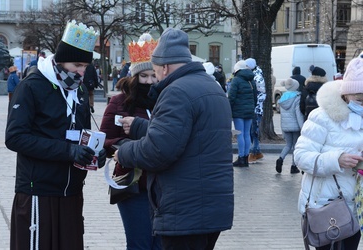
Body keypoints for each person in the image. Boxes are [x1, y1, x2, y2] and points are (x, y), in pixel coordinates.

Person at [114, 27, 234, 250]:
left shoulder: (176, 91)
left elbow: (158, 151)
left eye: (156, 71)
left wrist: (124, 152)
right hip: (210, 206)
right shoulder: (211, 87)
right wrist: (141, 126)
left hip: (185, 209)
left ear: (165, 67)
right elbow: (191, 135)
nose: (154, 78)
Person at [5, 20, 106, 250]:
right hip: (38, 190)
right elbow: (15, 137)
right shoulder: (31, 86)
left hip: (71, 191)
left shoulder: (79, 90)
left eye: (85, 66)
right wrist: (68, 151)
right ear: (60, 61)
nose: (81, 72)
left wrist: (96, 152)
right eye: (77, 65)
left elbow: (80, 132)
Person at [294, 56, 363, 250]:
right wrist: (337, 160)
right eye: (359, 99)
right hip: (328, 207)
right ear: (346, 94)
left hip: (358, 208)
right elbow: (301, 156)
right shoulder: (322, 117)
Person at [100, 33, 161, 250]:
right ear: (134, 76)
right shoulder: (119, 103)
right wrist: (126, 145)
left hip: (163, 186)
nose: (150, 82)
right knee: (140, 243)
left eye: (154, 75)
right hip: (132, 184)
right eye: (144, 76)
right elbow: (104, 140)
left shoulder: (165, 101)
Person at [229, 60, 257, 167]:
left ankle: (241, 157)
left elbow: (231, 97)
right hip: (249, 111)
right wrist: (252, 107)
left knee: (239, 134)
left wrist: (229, 109)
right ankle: (246, 158)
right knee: (246, 134)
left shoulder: (236, 80)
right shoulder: (251, 81)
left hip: (238, 111)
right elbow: (255, 96)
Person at [275, 78, 304, 174]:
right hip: (295, 126)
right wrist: (302, 128)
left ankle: (280, 159)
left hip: (285, 126)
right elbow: (298, 114)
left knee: (288, 145)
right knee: (295, 146)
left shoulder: (282, 99)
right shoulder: (296, 97)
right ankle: (293, 166)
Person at [245, 58, 266, 163]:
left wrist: (255, 105)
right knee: (253, 131)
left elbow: (261, 94)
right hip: (256, 108)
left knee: (253, 131)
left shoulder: (257, 77)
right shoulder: (255, 75)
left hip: (256, 109)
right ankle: (256, 151)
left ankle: (254, 153)